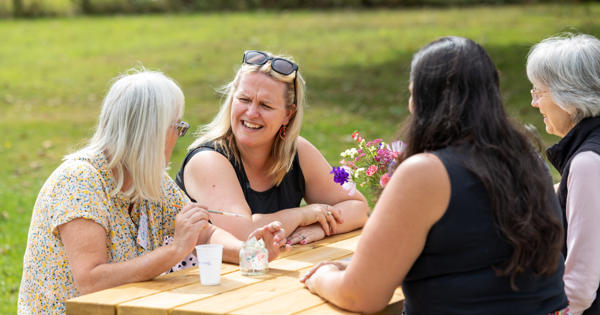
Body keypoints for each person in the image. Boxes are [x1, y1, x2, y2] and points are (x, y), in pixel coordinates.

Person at [301, 36, 568, 314]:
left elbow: (361, 297)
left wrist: (321, 277)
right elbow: (476, 260)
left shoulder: (426, 173)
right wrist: (363, 269)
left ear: (421, 99)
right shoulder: (526, 157)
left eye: (411, 93)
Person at [17, 68, 287, 315]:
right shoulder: (79, 181)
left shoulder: (149, 180)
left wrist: (249, 252)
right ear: (151, 132)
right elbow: (91, 281)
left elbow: (203, 232)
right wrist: (176, 250)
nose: (178, 136)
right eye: (177, 127)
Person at [175, 50, 369, 245]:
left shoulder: (298, 151)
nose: (251, 113)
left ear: (288, 115)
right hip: (199, 274)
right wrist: (302, 215)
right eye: (244, 99)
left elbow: (358, 208)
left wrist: (319, 227)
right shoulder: (208, 160)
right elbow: (244, 235)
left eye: (265, 105)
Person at [527, 33, 600, 315]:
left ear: (568, 96)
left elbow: (579, 288)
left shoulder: (588, 163)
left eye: (538, 92)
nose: (534, 103)